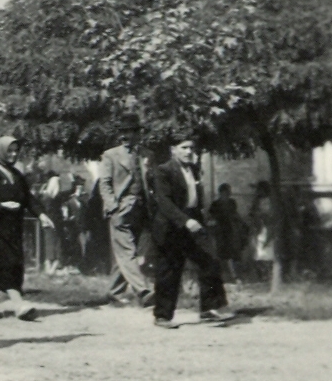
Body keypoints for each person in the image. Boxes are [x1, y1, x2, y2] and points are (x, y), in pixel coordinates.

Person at [150, 133, 230, 329]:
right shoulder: (163, 171)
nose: (188, 152)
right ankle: (162, 316)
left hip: (192, 223)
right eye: (184, 148)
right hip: (171, 227)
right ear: (173, 150)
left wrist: (201, 219)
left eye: (191, 148)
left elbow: (194, 198)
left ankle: (208, 310)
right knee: (169, 270)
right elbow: (164, 203)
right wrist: (185, 221)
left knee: (209, 260)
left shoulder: (193, 169)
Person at [0, 135, 54, 320]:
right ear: (0, 151)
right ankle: (18, 304)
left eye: (15, 151)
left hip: (14, 226)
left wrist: (42, 215)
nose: (13, 155)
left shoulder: (16, 173)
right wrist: (0, 206)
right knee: (6, 262)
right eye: (9, 151)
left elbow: (28, 198)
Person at [97, 116, 153, 306]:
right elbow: (104, 184)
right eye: (123, 132)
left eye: (131, 131)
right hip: (121, 208)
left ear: (138, 133)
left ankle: (114, 291)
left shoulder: (146, 155)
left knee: (124, 253)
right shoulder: (110, 155)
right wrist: (113, 207)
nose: (127, 136)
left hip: (141, 208)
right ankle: (143, 291)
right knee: (127, 252)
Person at [208, 183, 247, 283]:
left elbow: (235, 214)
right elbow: (211, 218)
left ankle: (234, 276)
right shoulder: (215, 204)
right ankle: (224, 276)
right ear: (222, 192)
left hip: (231, 230)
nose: (229, 193)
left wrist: (242, 223)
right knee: (221, 254)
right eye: (227, 191)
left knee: (233, 253)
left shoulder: (232, 202)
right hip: (220, 231)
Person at [248, 180, 276, 284]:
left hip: (266, 226)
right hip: (258, 227)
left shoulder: (270, 200)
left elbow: (270, 214)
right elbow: (252, 213)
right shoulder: (256, 201)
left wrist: (263, 216)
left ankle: (267, 274)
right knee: (257, 252)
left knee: (267, 250)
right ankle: (261, 275)